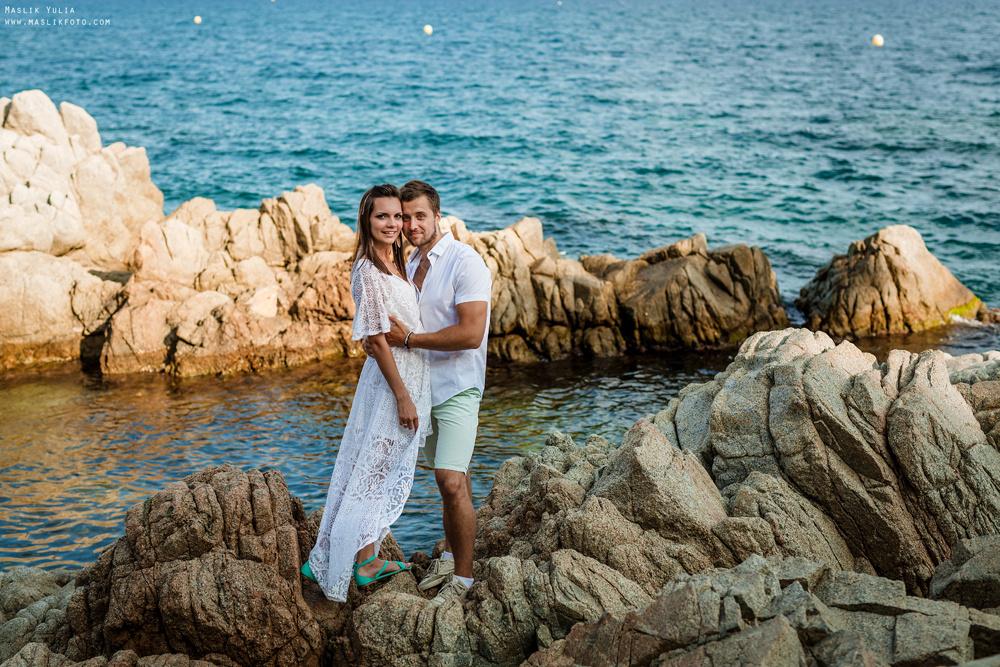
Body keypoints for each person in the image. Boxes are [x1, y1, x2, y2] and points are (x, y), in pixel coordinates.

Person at [301, 184, 431, 602]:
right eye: (383, 217)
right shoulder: (366, 270)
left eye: (398, 216)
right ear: (366, 220)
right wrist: (403, 396)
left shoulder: (396, 264)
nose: (393, 224)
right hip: (391, 386)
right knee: (372, 472)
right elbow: (375, 340)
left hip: (402, 379)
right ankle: (339, 559)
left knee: (376, 470)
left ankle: (354, 556)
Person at [385, 180, 491, 608]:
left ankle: (463, 579)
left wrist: (409, 339)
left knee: (449, 481)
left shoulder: (466, 262)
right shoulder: (410, 266)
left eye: (419, 216)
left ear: (437, 217)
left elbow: (471, 333)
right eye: (405, 217)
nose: (411, 224)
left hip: (460, 387)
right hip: (425, 390)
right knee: (455, 478)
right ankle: (451, 552)